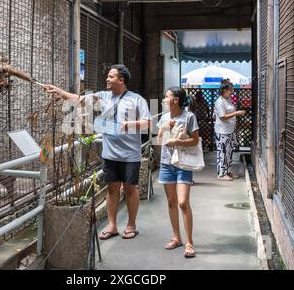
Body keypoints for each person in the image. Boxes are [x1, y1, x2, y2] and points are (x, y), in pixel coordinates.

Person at [43, 65, 151, 240]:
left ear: (121, 80)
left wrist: (129, 125)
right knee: (112, 188)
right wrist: (59, 91)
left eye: (111, 77)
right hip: (110, 154)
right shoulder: (103, 96)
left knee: (130, 189)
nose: (107, 79)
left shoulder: (136, 100)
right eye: (107, 77)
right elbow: (79, 99)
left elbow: (147, 123)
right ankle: (112, 226)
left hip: (130, 154)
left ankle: (131, 225)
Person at [157, 87, 199, 259]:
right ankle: (177, 237)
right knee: (171, 201)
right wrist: (163, 128)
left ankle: (189, 242)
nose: (164, 99)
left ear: (175, 100)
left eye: (166, 97)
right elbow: (159, 140)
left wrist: (177, 140)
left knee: (183, 202)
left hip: (183, 163)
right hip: (166, 164)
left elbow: (195, 141)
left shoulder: (189, 116)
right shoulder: (164, 117)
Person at [214, 80, 246, 181]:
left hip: (229, 130)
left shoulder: (228, 99)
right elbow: (222, 117)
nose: (232, 91)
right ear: (224, 90)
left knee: (229, 152)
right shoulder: (220, 101)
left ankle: (227, 171)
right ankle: (221, 174)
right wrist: (236, 113)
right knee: (223, 153)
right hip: (222, 131)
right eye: (230, 89)